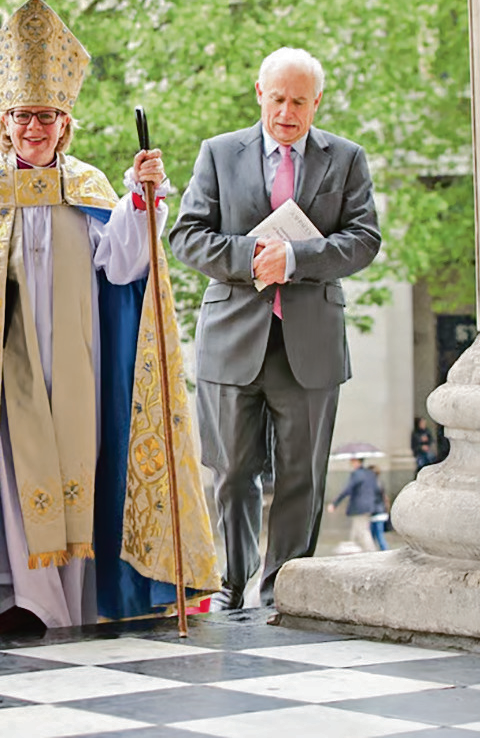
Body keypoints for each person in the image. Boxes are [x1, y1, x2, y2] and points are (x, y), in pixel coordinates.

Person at [0, 0, 217, 635]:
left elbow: (126, 267)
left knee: (81, 475)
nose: (34, 128)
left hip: (79, 365)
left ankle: (76, 607)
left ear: (64, 121)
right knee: (17, 486)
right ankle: (23, 605)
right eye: (23, 116)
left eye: (46, 116)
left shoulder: (89, 186)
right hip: (2, 373)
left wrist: (141, 198)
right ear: (4, 120)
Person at [170, 46, 381, 609]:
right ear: (260, 94)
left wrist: (296, 259)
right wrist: (252, 256)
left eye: (300, 102)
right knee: (233, 472)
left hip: (309, 342)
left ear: (317, 103)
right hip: (232, 339)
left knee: (301, 478)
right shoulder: (217, 154)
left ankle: (284, 590)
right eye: (279, 99)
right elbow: (187, 235)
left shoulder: (347, 158)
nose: (287, 112)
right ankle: (231, 586)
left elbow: (364, 239)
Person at [328, 457, 382, 552]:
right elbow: (377, 490)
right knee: (356, 530)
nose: (350, 463)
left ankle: (371, 551)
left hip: (359, 507)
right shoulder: (370, 474)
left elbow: (347, 489)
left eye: (352, 461)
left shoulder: (357, 474)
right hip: (369, 506)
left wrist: (335, 503)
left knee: (362, 531)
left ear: (356, 461)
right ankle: (354, 549)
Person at [367, 464, 390, 551]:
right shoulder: (380, 482)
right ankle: (376, 550)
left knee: (377, 535)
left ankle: (384, 551)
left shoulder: (371, 485)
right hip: (381, 511)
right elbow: (385, 498)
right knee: (375, 535)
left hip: (375, 512)